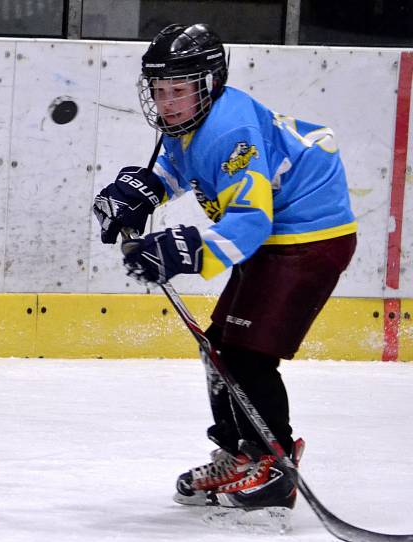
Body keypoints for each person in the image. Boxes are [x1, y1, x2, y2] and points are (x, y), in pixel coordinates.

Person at [93, 23, 356, 512]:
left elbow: (252, 221)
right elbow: (183, 165)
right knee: (220, 349)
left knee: (250, 355)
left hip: (308, 239)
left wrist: (183, 251)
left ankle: (273, 466)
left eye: (178, 90)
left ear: (208, 82)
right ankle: (240, 455)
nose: (167, 101)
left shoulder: (229, 129)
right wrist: (144, 188)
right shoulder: (192, 120)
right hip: (281, 237)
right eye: (159, 90)